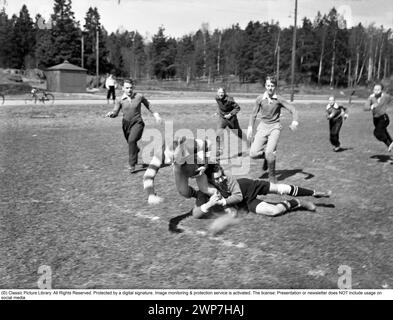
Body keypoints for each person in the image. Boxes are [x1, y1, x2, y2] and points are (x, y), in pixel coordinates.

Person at [191, 164, 331, 221]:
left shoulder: (229, 179)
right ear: (209, 180)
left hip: (250, 187)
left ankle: (314, 192)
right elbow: (196, 214)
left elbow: (237, 196)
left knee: (281, 189)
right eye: (217, 178)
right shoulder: (205, 192)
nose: (222, 179)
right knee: (274, 211)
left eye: (222, 175)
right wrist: (209, 205)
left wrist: (223, 202)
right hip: (246, 202)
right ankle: (299, 202)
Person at [247, 76, 299, 182]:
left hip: (275, 127)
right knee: (252, 154)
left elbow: (293, 109)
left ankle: (272, 176)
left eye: (272, 85)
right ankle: (267, 157)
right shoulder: (260, 99)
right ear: (265, 86)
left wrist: (294, 121)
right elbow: (253, 114)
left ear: (275, 86)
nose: (270, 88)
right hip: (262, 127)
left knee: (270, 152)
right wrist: (250, 127)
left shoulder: (279, 99)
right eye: (268, 85)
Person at [106, 79, 162, 173]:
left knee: (132, 140)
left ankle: (132, 165)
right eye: (127, 88)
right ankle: (136, 149)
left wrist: (156, 115)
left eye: (131, 88)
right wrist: (112, 114)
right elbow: (116, 112)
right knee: (131, 143)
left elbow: (149, 105)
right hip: (126, 125)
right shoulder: (119, 100)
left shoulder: (139, 96)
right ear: (123, 88)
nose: (129, 90)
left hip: (138, 123)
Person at [143, 137, 218, 205]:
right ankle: (199, 195)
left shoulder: (191, 144)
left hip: (195, 162)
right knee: (183, 191)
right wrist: (151, 195)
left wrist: (205, 165)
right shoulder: (160, 155)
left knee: (206, 189)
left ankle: (221, 197)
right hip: (179, 167)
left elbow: (211, 144)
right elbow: (148, 175)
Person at [215, 88, 248, 159]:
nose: (221, 94)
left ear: (225, 93)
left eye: (222, 92)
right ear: (217, 93)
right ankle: (218, 150)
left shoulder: (230, 99)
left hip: (231, 119)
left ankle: (250, 141)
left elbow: (238, 108)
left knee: (239, 133)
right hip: (222, 119)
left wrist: (230, 114)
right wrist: (218, 111)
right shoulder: (217, 98)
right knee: (218, 133)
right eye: (219, 92)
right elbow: (219, 105)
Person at [364, 83, 393, 152]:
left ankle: (390, 144)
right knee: (384, 132)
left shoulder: (385, 97)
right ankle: (390, 144)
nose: (376, 91)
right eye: (375, 89)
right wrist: (371, 106)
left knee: (377, 133)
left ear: (381, 90)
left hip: (384, 118)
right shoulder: (371, 97)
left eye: (378, 89)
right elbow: (365, 107)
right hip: (376, 120)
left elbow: (391, 98)